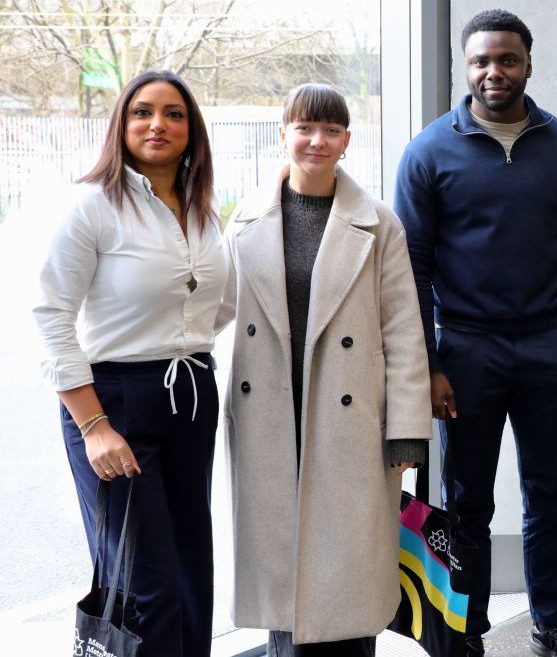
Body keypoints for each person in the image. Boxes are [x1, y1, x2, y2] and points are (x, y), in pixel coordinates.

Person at [393, 9, 557, 657]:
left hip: (549, 348)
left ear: (528, 64)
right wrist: (430, 363)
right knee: (468, 505)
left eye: (507, 59)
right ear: (467, 66)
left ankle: (550, 626)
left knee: (546, 495)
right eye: (481, 60)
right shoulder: (429, 151)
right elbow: (411, 266)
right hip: (467, 353)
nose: (494, 71)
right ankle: (467, 634)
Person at [216, 83, 431, 656]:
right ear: (283, 134)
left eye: (331, 130)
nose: (317, 140)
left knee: (349, 563)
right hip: (269, 410)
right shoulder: (247, 219)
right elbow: (216, 309)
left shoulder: (378, 223)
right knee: (281, 559)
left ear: (347, 140)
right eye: (305, 128)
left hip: (348, 413)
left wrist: (407, 428)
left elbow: (403, 328)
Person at [34, 71, 225, 657]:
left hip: (190, 394)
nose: (157, 124)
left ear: (191, 130)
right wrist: (94, 425)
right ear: (121, 125)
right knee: (147, 587)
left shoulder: (202, 210)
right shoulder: (91, 207)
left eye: (173, 114)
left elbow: (217, 307)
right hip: (115, 401)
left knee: (192, 576)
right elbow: (51, 316)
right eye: (142, 112)